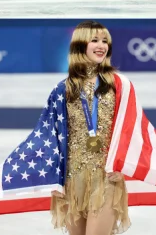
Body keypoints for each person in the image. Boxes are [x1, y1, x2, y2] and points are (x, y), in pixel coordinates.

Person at [49, 21, 130, 233]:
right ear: (79, 44)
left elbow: (131, 129)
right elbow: (51, 137)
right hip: (72, 178)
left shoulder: (119, 85)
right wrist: (55, 180)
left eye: (105, 41)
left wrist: (123, 166)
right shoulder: (62, 89)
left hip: (107, 176)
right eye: (94, 40)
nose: (101, 45)